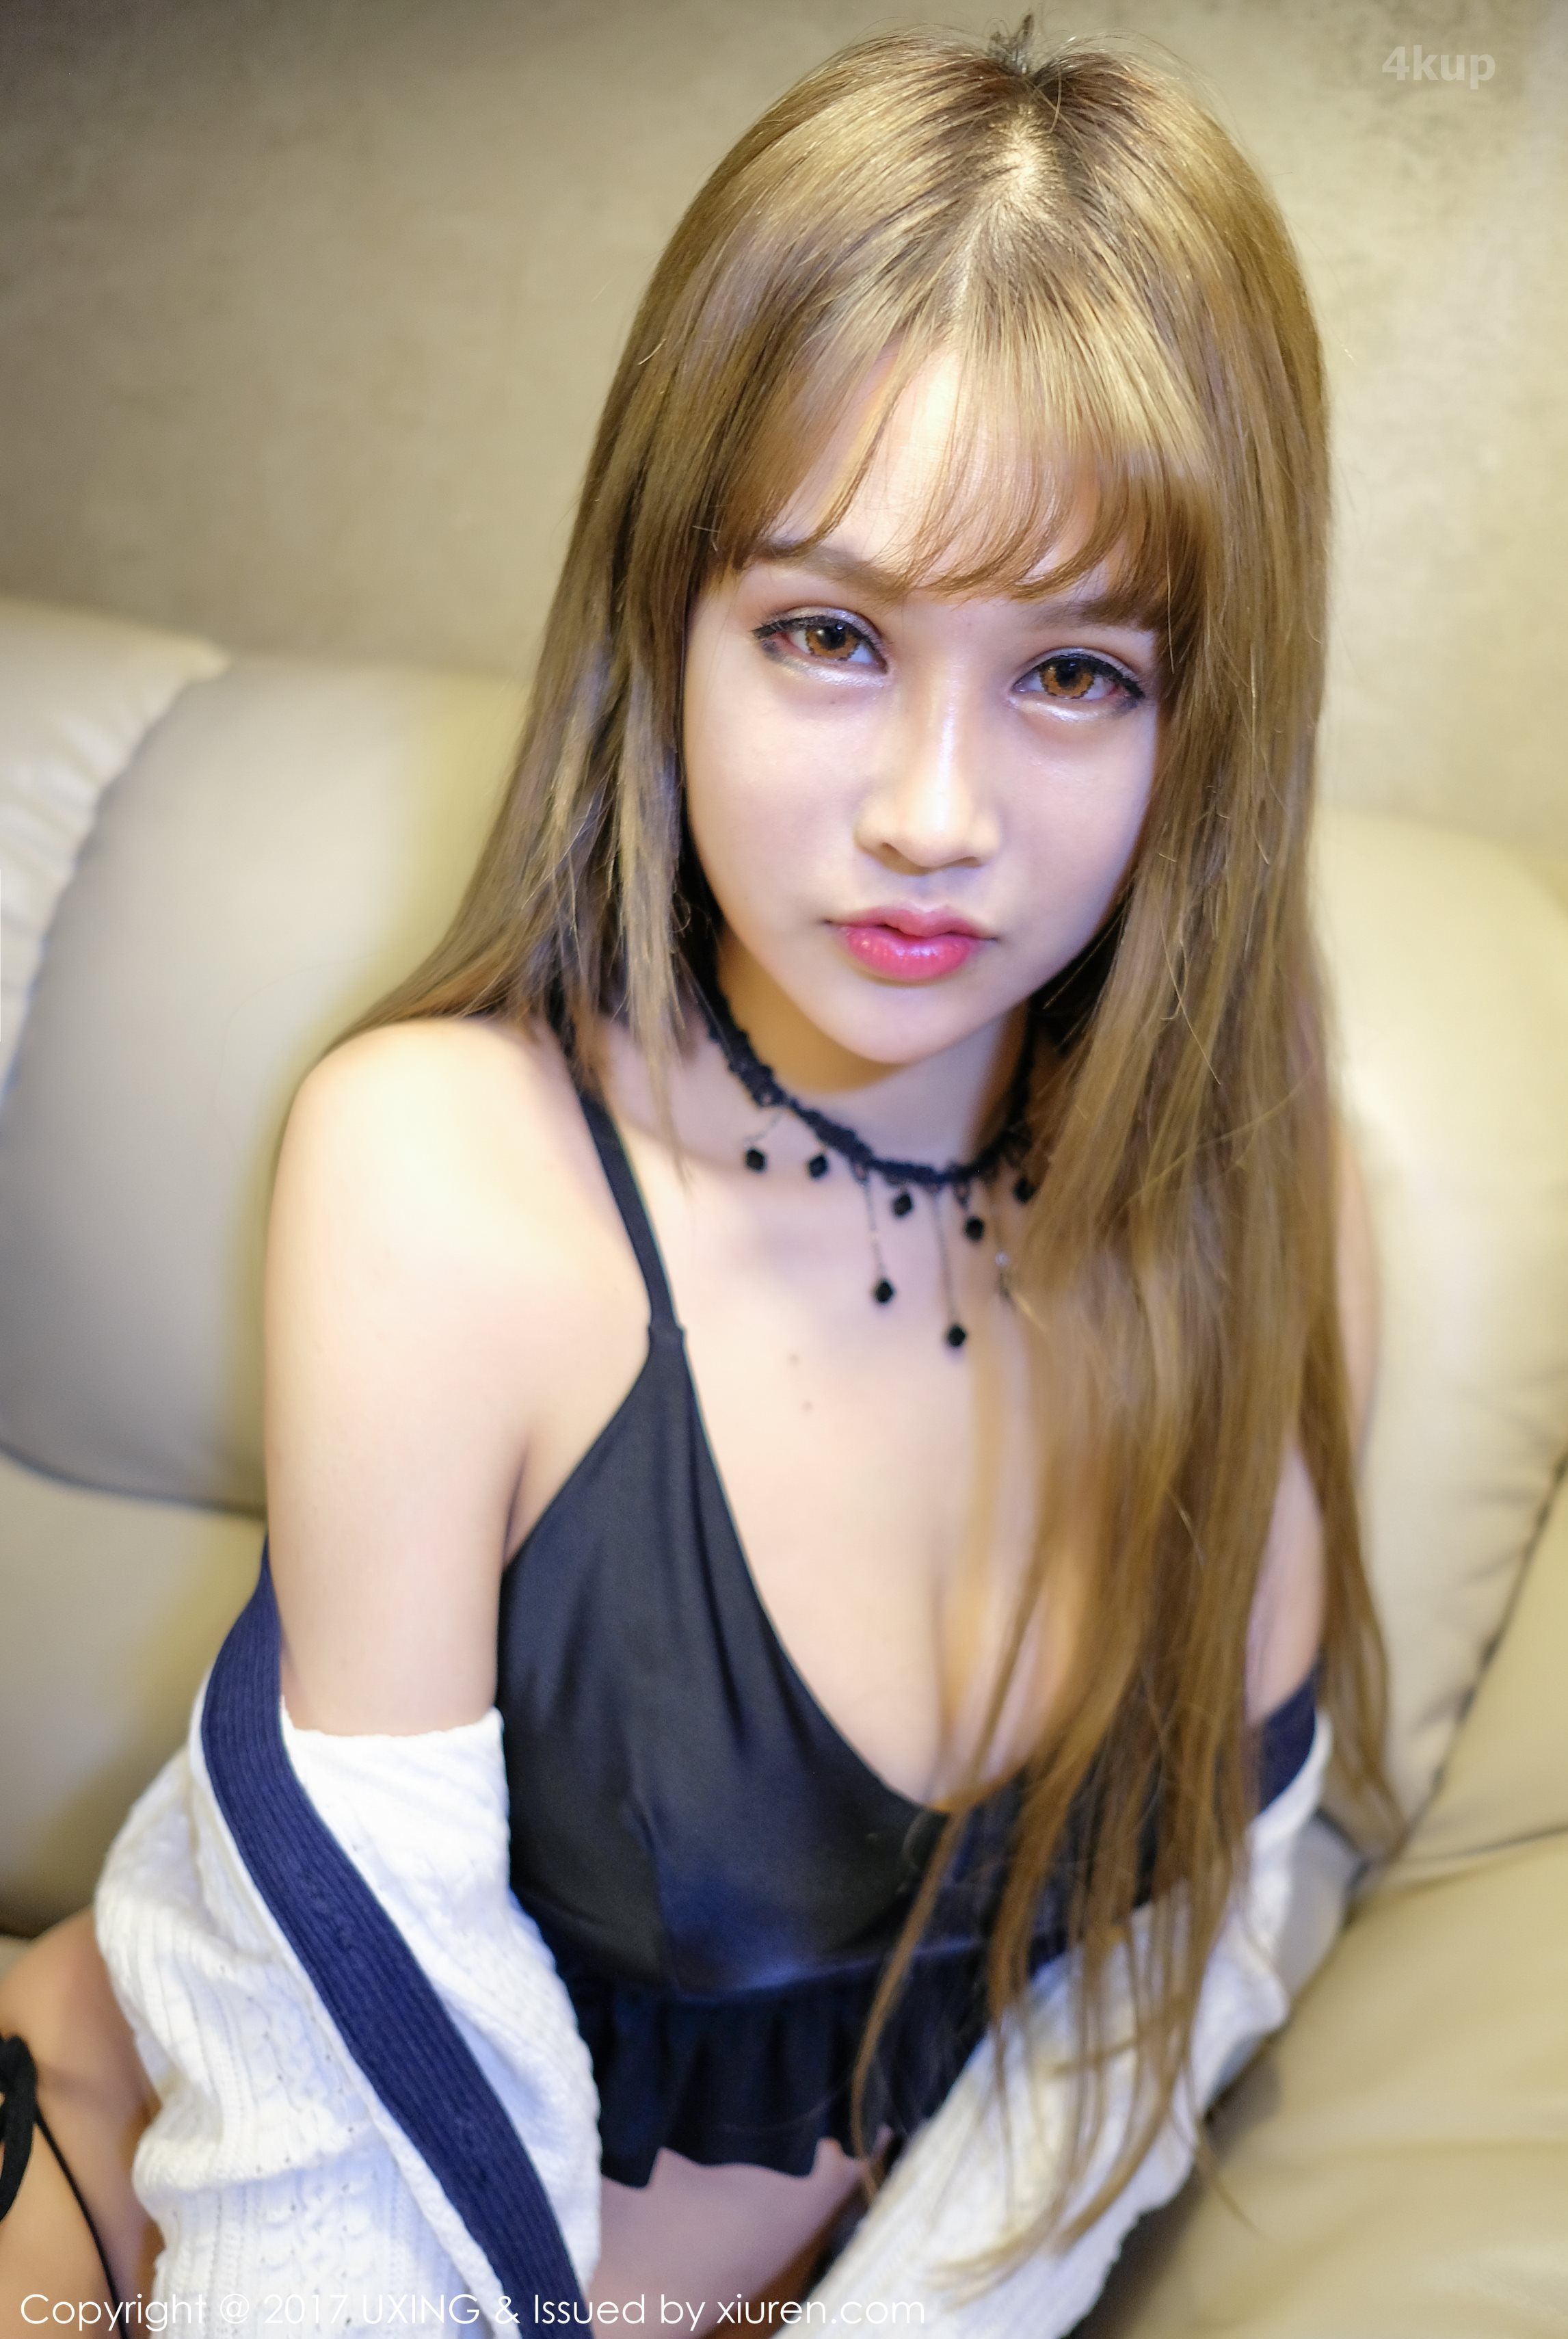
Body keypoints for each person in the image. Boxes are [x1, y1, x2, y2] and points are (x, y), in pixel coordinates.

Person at [0, 17, 1396, 2329]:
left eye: (1074, 675)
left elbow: (1180, 1952)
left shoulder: (1271, 1208)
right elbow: (329, 2112)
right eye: (830, 636)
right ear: (664, 626)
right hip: (142, 2212)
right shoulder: (445, 1175)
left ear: (1209, 715)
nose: (935, 813)